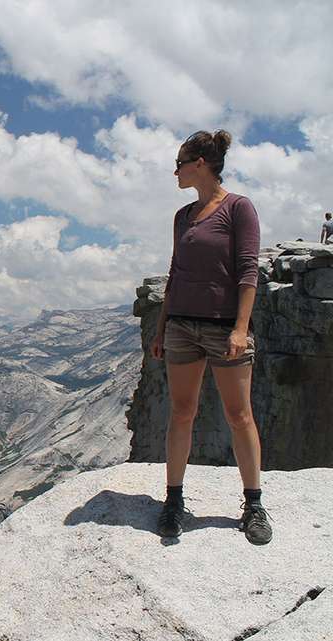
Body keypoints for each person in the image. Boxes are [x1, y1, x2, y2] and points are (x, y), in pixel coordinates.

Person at [150, 130, 271, 545]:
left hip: (224, 328)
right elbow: (175, 272)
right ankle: (173, 500)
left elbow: (248, 272)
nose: (176, 172)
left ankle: (253, 504)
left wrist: (240, 328)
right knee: (181, 413)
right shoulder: (182, 216)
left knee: (239, 415)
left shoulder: (239, 208)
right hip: (182, 325)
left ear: (200, 162)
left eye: (180, 164)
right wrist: (162, 325)